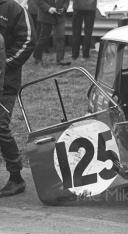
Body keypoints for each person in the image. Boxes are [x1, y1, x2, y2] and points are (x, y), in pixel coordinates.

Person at [0, 0, 35, 198]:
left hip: (5, 83)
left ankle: (16, 178)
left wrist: (4, 64)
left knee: (0, 127)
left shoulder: (14, 9)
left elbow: (28, 40)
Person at [33, 0, 70, 66]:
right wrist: (48, 8)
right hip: (46, 15)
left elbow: (66, 1)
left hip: (60, 16)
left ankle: (60, 59)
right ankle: (37, 58)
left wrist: (64, 8)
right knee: (44, 37)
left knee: (60, 37)